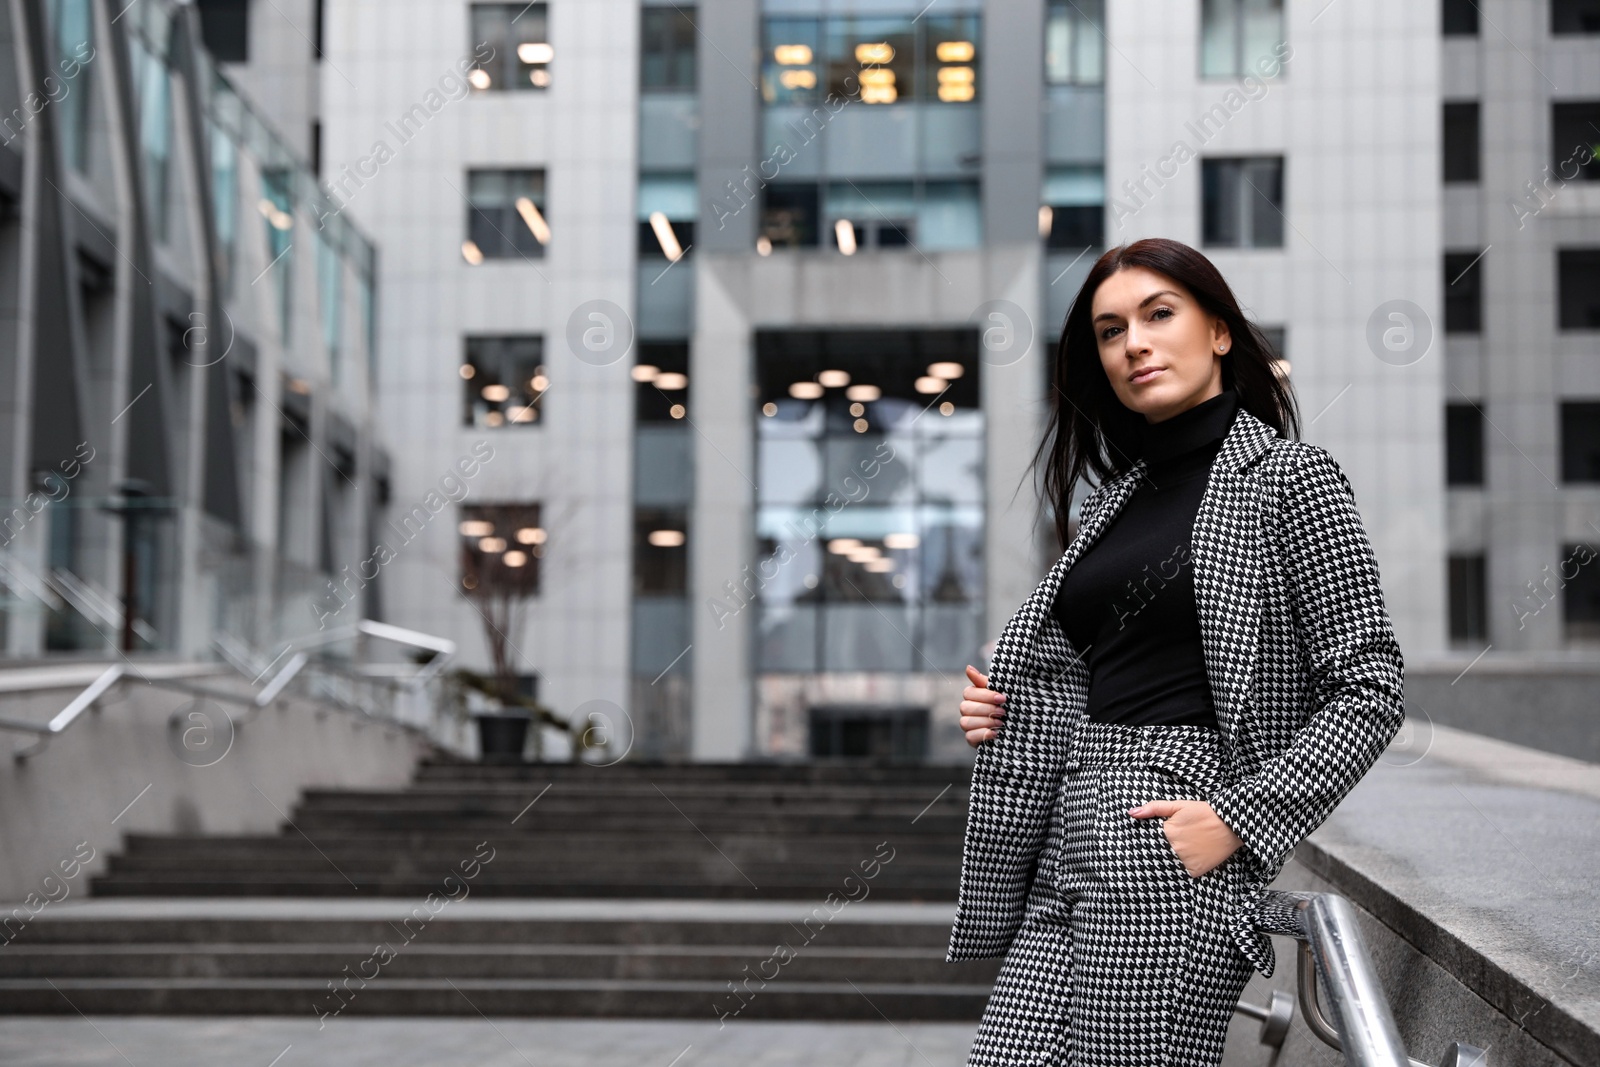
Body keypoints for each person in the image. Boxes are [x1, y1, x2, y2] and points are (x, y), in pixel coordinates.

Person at [947, 237, 1405, 1067]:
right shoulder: (1115, 501)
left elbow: (1370, 687)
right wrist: (1009, 709)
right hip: (1068, 828)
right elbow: (1107, 667)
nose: (1135, 344)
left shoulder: (1287, 478)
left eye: (1160, 315)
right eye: (1111, 329)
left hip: (1170, 838)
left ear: (1220, 331)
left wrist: (1240, 818)